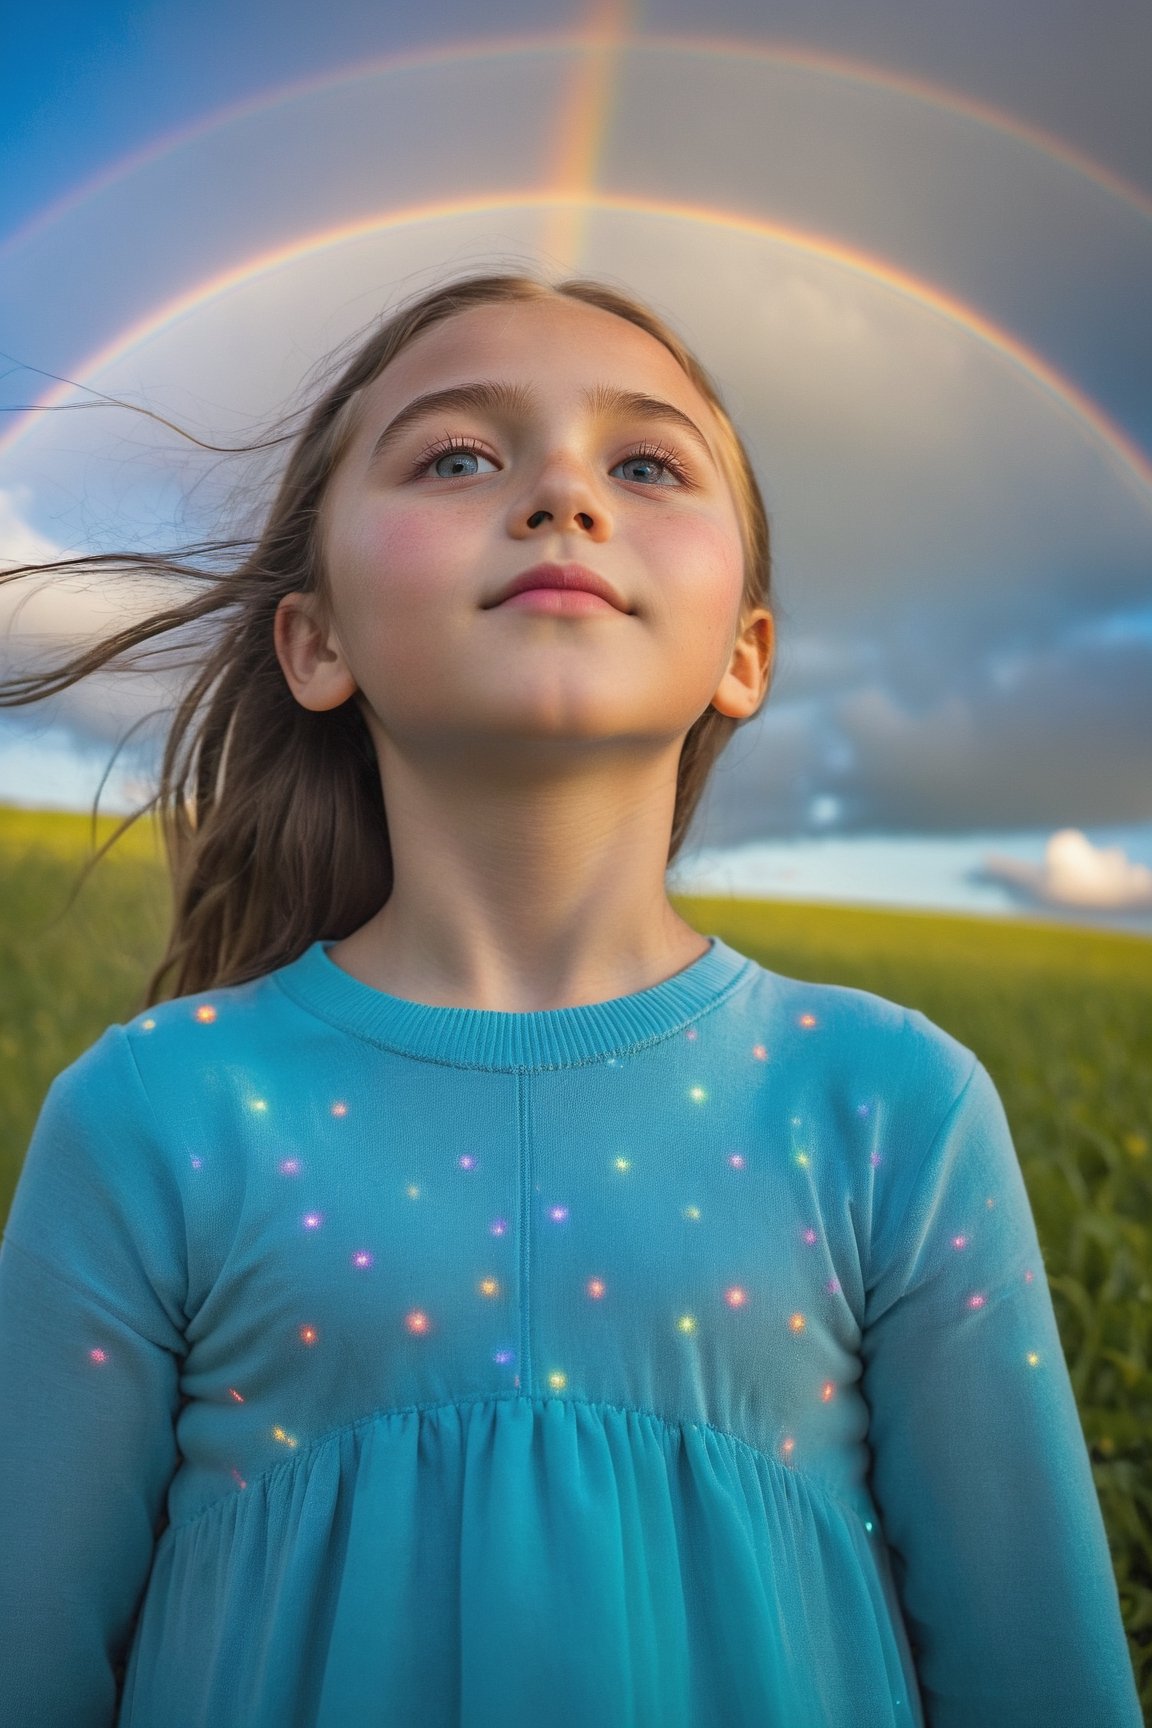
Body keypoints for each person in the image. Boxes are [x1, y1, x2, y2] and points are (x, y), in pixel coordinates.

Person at [0, 268, 1141, 1728]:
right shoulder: (150, 1114)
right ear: (317, 640)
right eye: (458, 456)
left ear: (746, 654)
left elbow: (1043, 1683)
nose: (561, 496)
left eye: (647, 463)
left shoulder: (890, 1108)